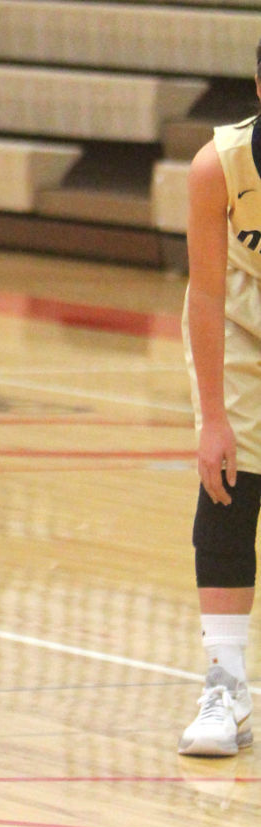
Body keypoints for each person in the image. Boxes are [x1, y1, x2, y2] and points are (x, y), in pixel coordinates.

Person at [177, 37, 261, 758]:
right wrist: (211, 420)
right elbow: (203, 296)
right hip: (242, 329)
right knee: (230, 488)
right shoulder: (219, 164)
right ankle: (226, 684)